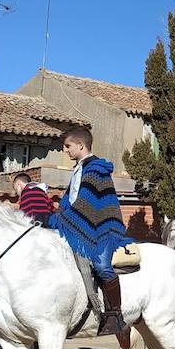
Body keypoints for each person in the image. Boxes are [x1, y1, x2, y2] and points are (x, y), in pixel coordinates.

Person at [46, 125, 133, 337]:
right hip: (82, 225)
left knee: (102, 265)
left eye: (68, 146)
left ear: (80, 145)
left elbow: (86, 205)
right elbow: (70, 200)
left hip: (102, 229)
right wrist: (55, 217)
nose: (65, 151)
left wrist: (65, 219)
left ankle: (115, 314)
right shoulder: (78, 169)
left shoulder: (95, 170)